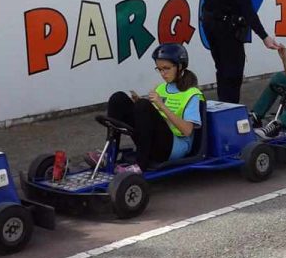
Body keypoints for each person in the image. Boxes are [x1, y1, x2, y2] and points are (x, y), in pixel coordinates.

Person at [87, 43, 204, 173]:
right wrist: (138, 104)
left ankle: (140, 165)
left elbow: (188, 131)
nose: (162, 73)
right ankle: (110, 157)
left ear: (180, 66)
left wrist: (161, 106)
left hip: (173, 148)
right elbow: (151, 117)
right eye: (159, 69)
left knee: (143, 106)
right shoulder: (161, 88)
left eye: (166, 68)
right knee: (118, 98)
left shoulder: (192, 94)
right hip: (154, 140)